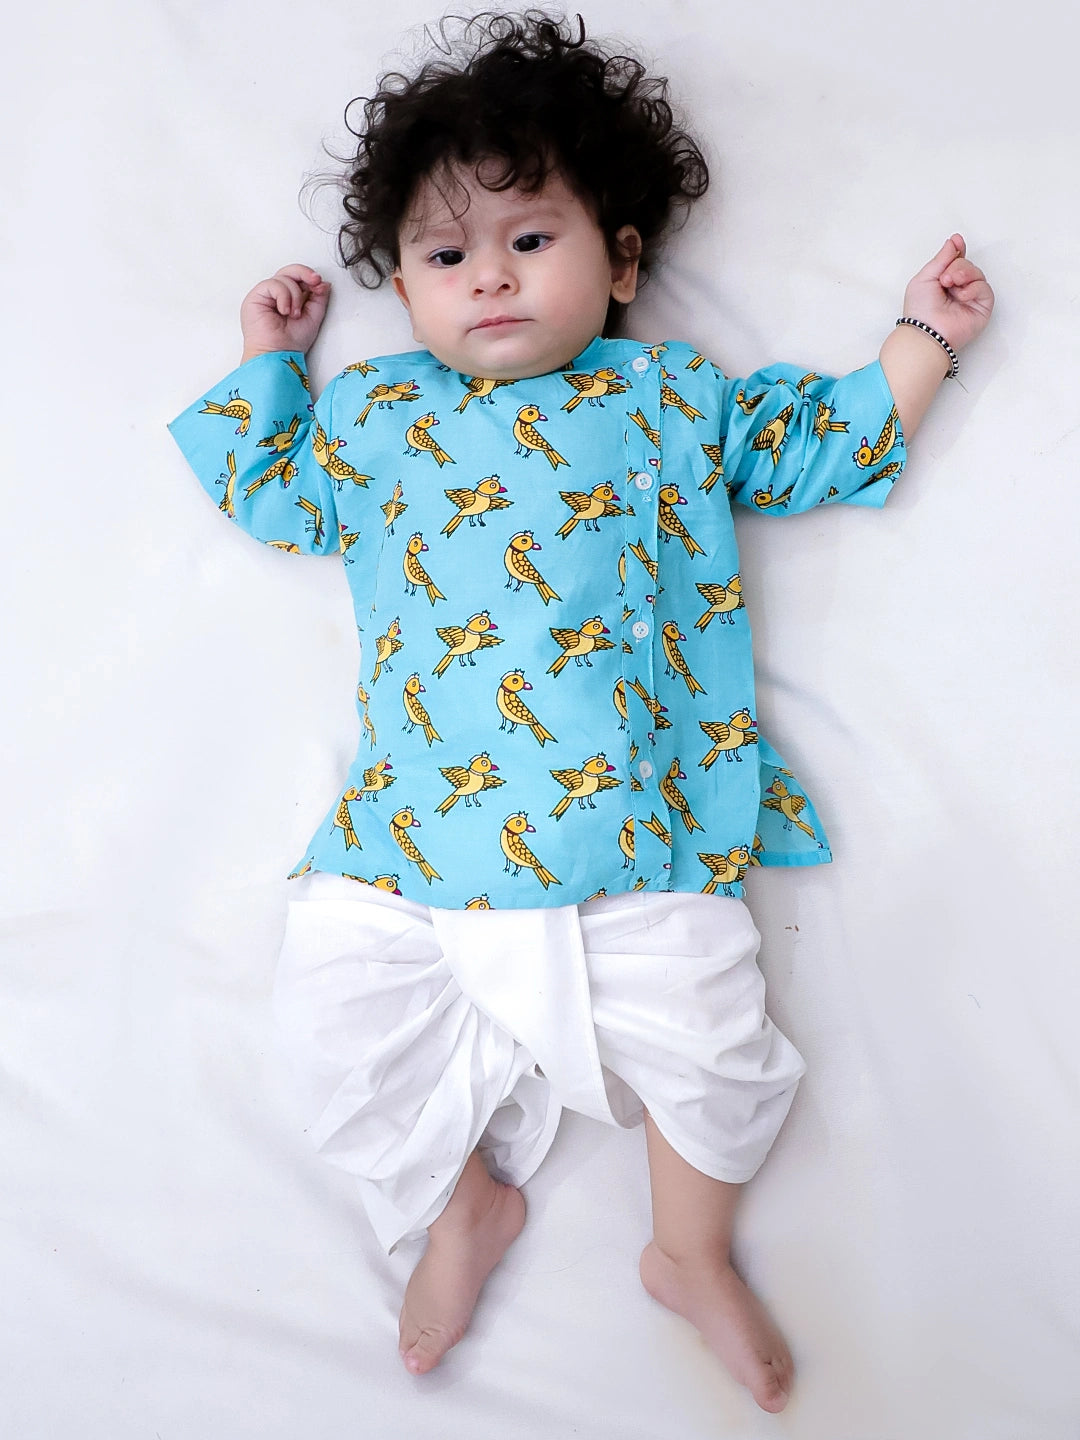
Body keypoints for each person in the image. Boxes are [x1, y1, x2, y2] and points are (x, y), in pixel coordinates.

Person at [168, 11, 994, 1412]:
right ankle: (460, 1210)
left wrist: (924, 336)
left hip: (635, 827)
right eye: (446, 257)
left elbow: (824, 445)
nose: (489, 274)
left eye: (531, 238)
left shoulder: (669, 396)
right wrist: (269, 358)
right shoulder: (373, 416)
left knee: (720, 1048)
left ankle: (687, 1249)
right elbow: (269, 490)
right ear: (402, 290)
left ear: (619, 262)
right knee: (331, 1020)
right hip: (412, 840)